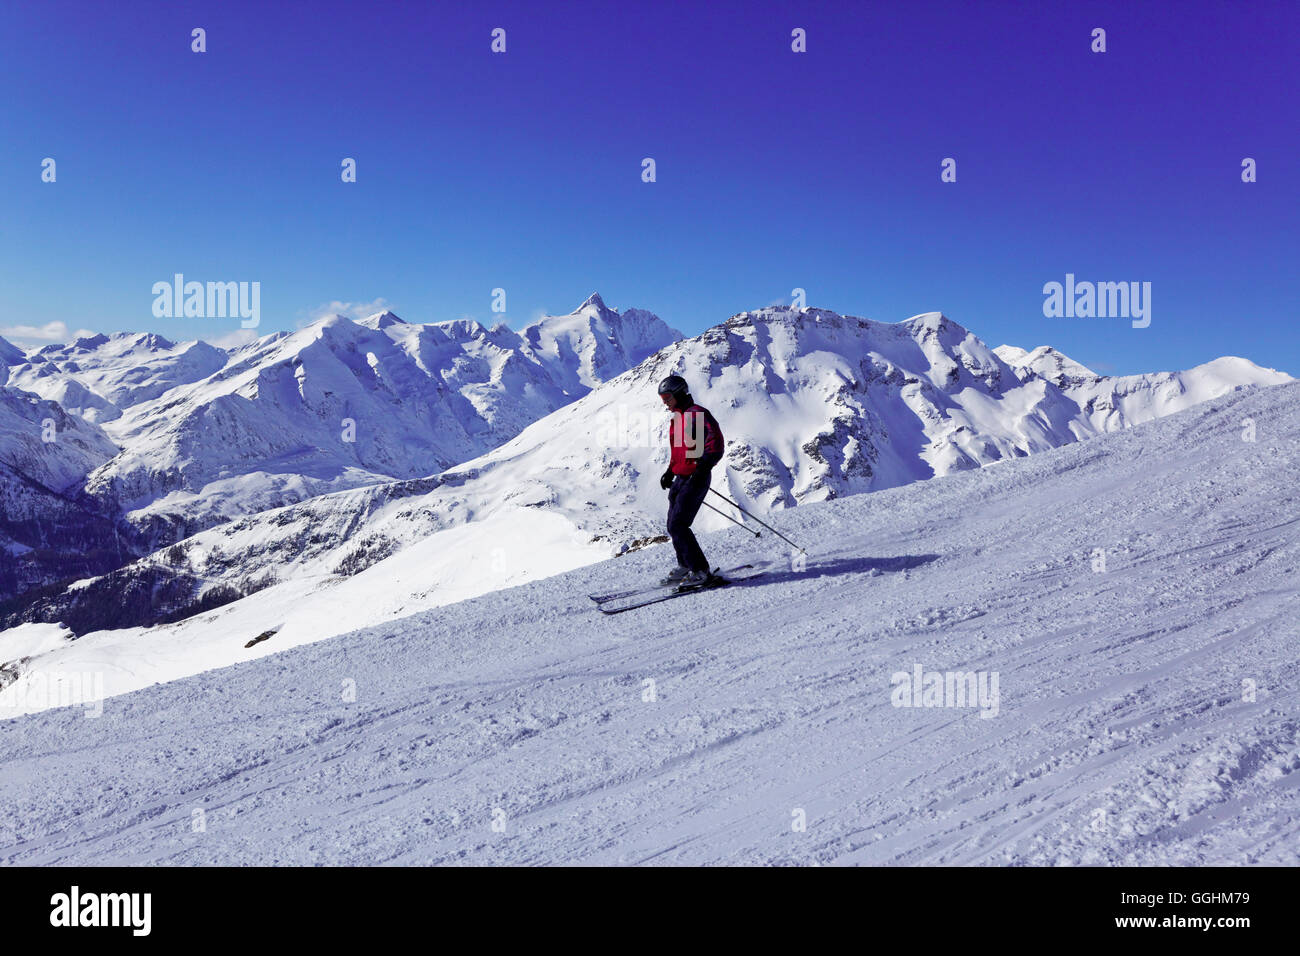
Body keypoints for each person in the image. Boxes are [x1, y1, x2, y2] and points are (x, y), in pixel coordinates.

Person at [656, 374, 725, 587]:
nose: (665, 402)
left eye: (667, 397)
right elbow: (679, 450)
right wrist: (670, 471)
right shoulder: (678, 418)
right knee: (672, 524)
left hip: (696, 477)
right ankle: (685, 565)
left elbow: (716, 445)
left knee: (679, 524)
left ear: (678, 393)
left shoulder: (697, 415)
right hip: (681, 477)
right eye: (662, 398)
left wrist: (703, 467)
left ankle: (700, 571)